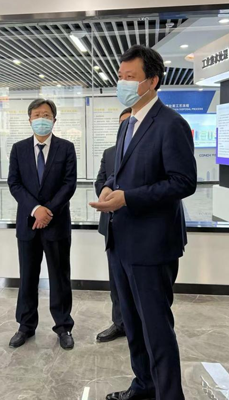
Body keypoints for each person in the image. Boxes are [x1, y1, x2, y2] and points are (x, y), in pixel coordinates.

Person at [90, 45, 197, 400]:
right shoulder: (128, 124)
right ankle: (143, 386)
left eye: (130, 77)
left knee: (156, 329)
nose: (122, 83)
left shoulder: (171, 124)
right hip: (121, 241)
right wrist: (110, 187)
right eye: (120, 76)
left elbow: (183, 182)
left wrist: (128, 198)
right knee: (132, 324)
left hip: (152, 245)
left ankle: (169, 395)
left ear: (152, 81)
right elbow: (119, 173)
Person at [7, 98, 77, 350]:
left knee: (60, 277)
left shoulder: (66, 148)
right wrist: (36, 210)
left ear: (54, 120)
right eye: (36, 115)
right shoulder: (18, 149)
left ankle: (63, 326)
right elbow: (14, 183)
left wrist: (48, 211)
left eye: (46, 115)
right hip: (28, 224)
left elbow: (69, 184)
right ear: (29, 119)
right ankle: (25, 326)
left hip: (56, 224)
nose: (41, 119)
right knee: (27, 277)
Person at [95, 107, 131, 343]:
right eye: (122, 125)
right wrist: (106, 195)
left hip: (138, 224)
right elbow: (100, 181)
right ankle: (119, 323)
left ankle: (140, 324)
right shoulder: (109, 153)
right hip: (113, 226)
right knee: (116, 281)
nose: (125, 129)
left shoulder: (148, 151)